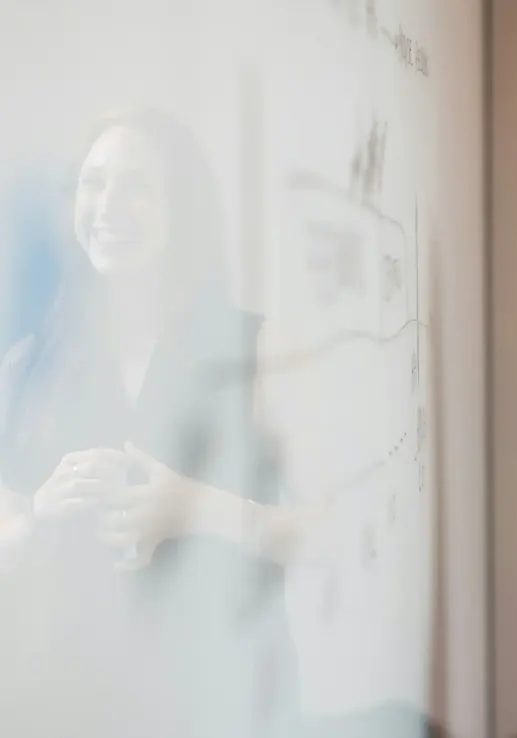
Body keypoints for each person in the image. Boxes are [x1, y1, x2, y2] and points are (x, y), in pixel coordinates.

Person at [0, 108, 303, 738]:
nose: (108, 205)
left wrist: (196, 507)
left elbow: (321, 531)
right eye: (94, 183)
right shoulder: (28, 364)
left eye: (137, 185)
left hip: (227, 692)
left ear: (182, 208)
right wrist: (39, 509)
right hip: (76, 694)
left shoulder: (257, 348)